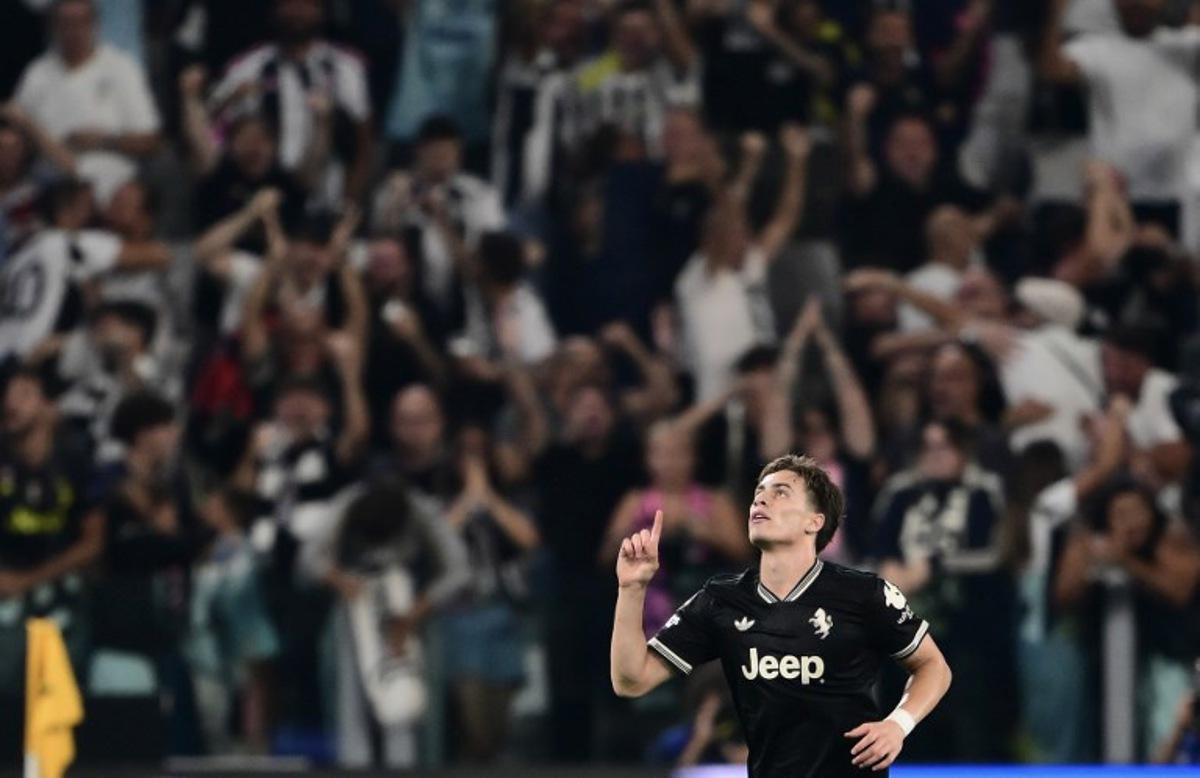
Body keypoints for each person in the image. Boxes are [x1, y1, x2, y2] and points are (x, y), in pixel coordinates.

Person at [611, 454, 953, 776]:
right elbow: (631, 679)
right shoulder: (720, 600)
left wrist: (899, 724)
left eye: (780, 493)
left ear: (814, 521)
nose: (760, 500)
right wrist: (631, 590)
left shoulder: (864, 594)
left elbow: (933, 666)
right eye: (759, 493)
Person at [208, 0, 374, 205]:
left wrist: (349, 202)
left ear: (322, 10)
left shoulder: (345, 68)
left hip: (324, 201)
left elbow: (363, 145)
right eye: (289, 3)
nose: (298, 11)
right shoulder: (247, 67)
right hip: (260, 202)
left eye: (308, 4)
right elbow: (213, 136)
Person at [12, 0, 161, 204]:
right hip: (48, 190)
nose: (74, 31)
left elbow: (150, 140)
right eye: (66, 23)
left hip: (111, 192)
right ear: (53, 26)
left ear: (95, 24)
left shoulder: (121, 67)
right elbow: (16, 134)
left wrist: (104, 141)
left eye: (81, 22)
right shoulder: (37, 73)